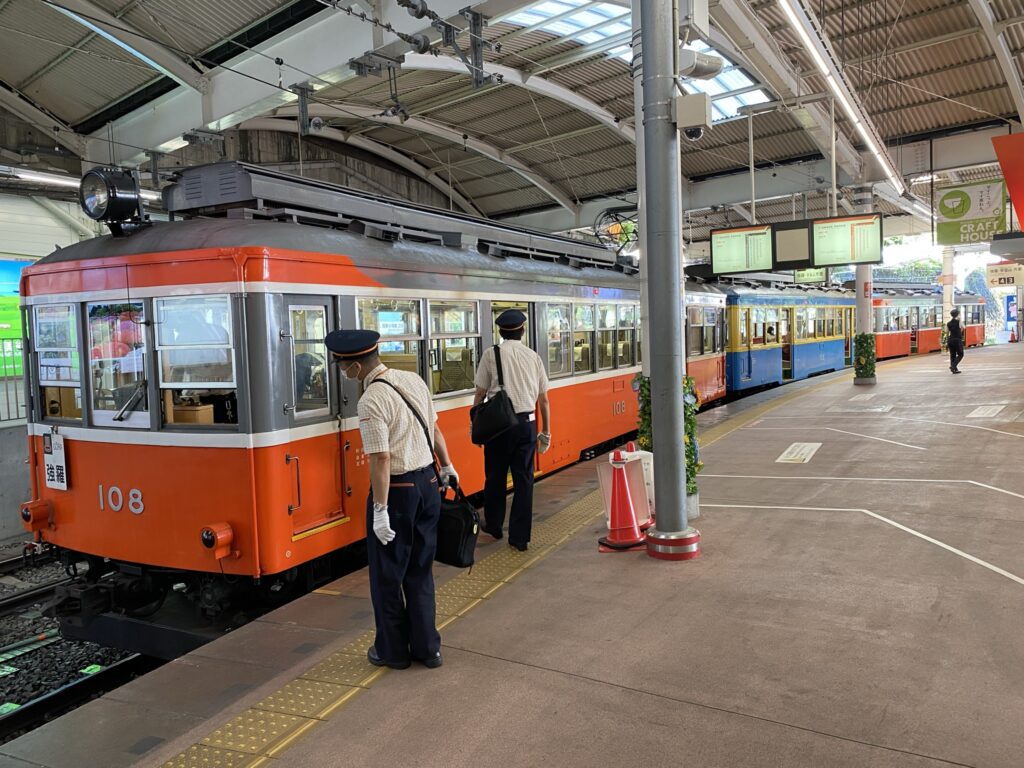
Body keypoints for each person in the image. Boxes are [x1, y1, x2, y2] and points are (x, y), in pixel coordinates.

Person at [326, 328, 458, 670]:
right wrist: (448, 466)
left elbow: (381, 458)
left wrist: (380, 510)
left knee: (387, 576)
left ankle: (393, 652)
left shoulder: (370, 400)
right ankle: (429, 650)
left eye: (342, 366)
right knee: (420, 571)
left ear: (355, 366)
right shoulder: (412, 380)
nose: (343, 372)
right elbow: (435, 428)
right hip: (429, 481)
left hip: (398, 492)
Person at [473, 309, 550, 552]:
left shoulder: (490, 354)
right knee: (524, 480)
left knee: (495, 476)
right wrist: (545, 432)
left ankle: (494, 526)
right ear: (523, 330)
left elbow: (480, 393)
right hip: (526, 426)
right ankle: (519, 538)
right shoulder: (533, 356)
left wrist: (476, 425)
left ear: (500, 331)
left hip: (499, 427)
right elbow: (544, 400)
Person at [947, 308, 964, 374]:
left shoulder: (948, 323)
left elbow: (947, 332)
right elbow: (963, 327)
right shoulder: (959, 321)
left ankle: (954, 369)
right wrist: (960, 320)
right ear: (957, 314)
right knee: (961, 354)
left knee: (952, 355)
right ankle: (953, 366)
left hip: (950, 340)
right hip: (957, 340)